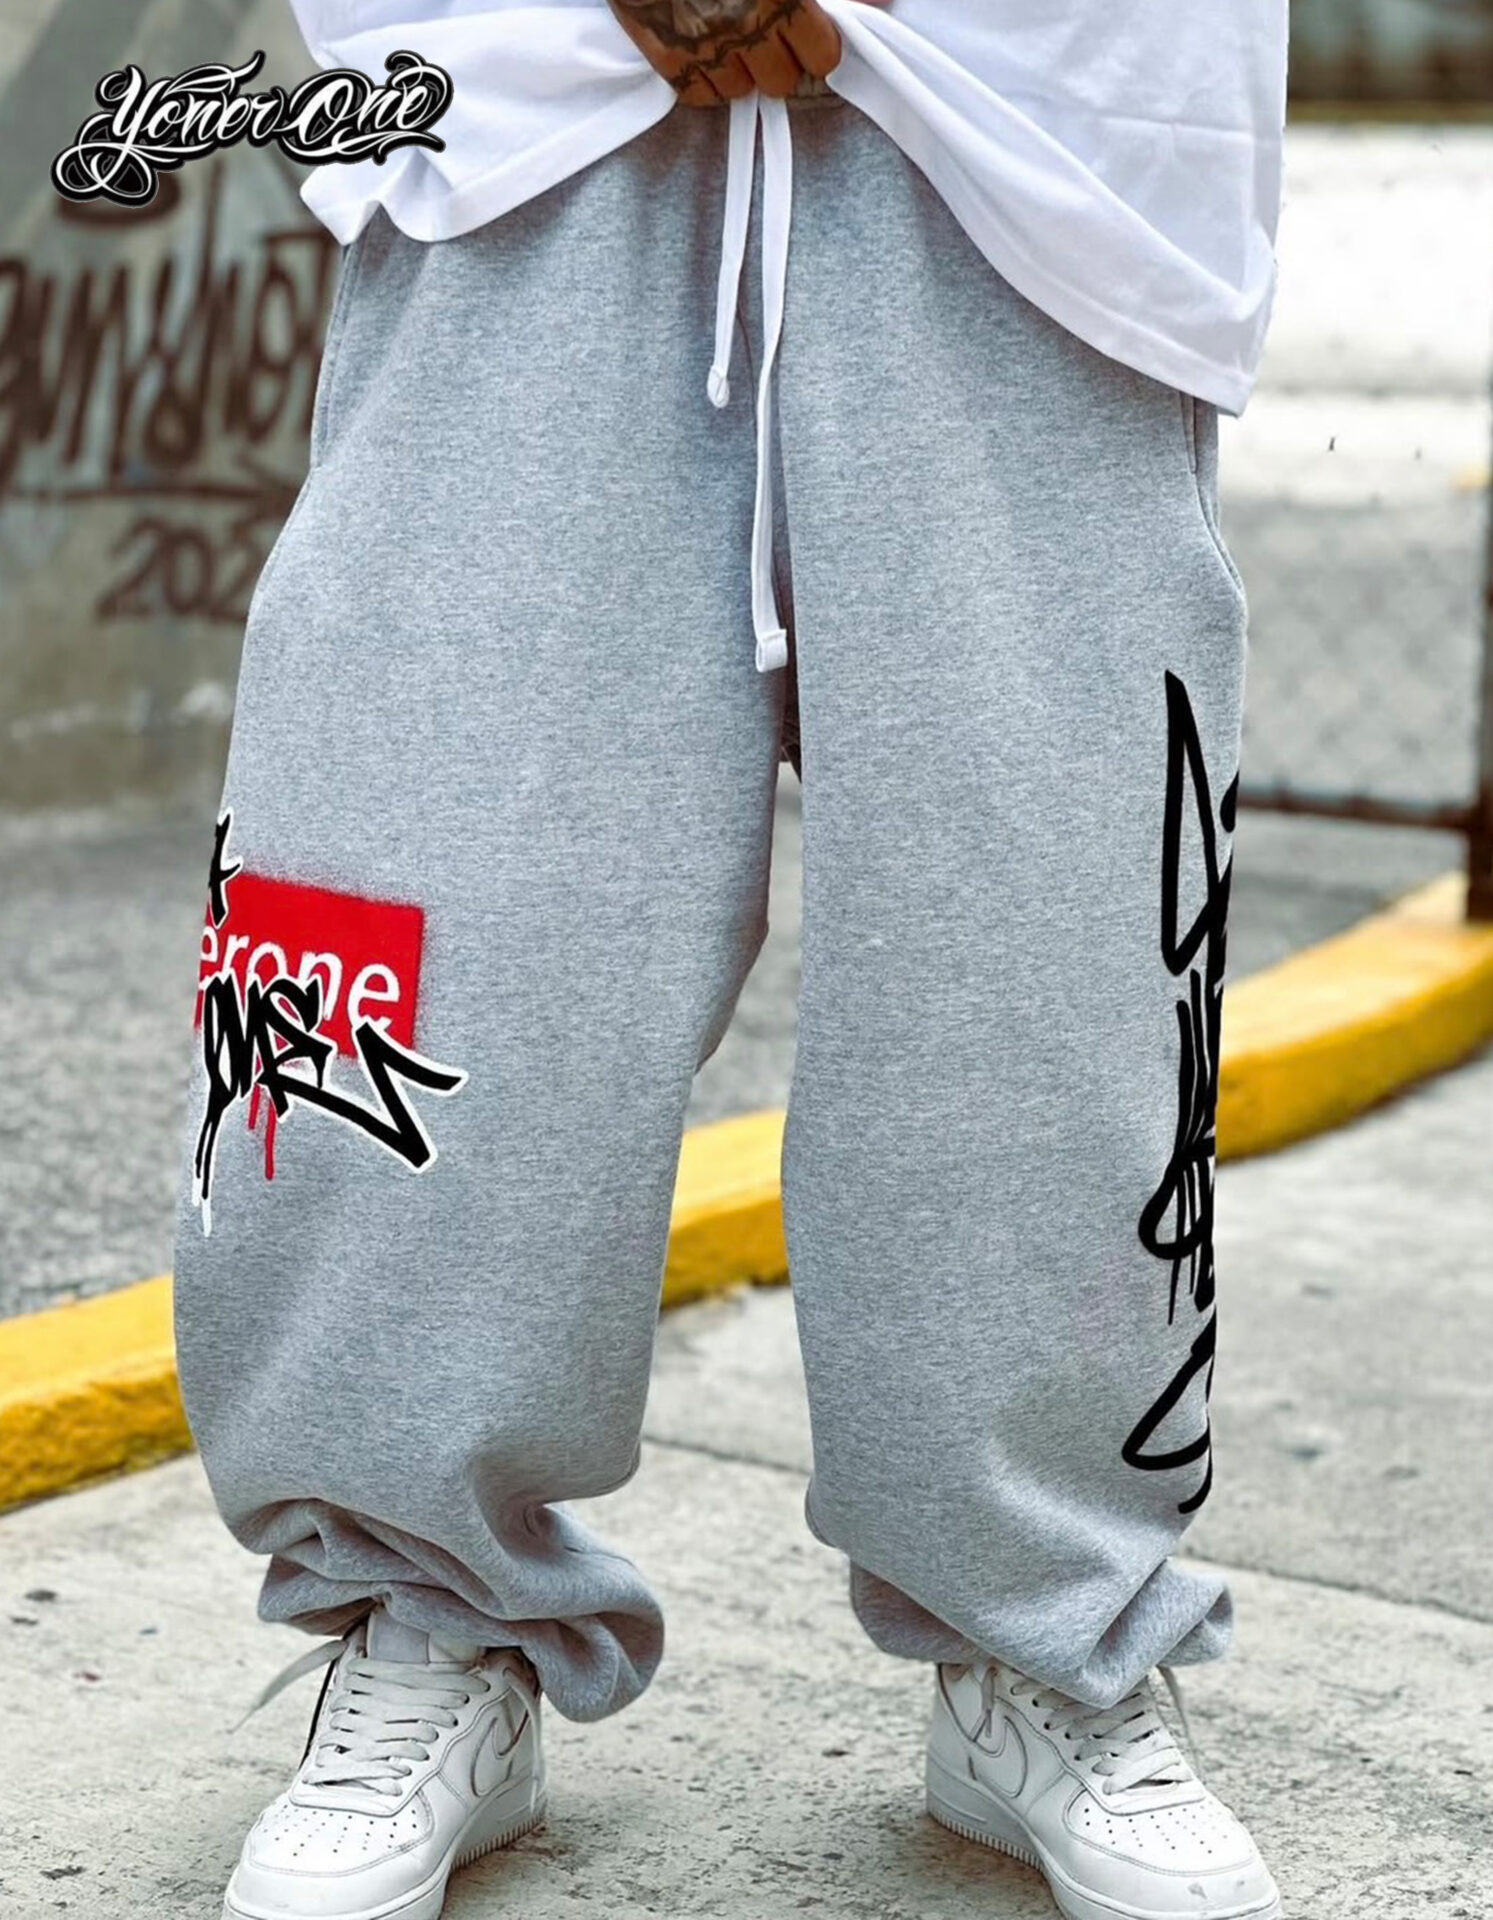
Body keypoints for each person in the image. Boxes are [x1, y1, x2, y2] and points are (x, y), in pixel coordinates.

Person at [172, 3, 1290, 1918]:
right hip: (528, 112)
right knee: (421, 905)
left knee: (1036, 960)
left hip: (1039, 130)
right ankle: (419, 1612)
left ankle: (1050, 1640)